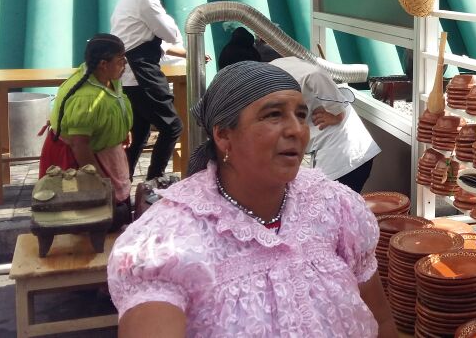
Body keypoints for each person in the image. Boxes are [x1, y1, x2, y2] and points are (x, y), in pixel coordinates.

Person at [107, 61, 396, 337]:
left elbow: (380, 319)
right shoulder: (171, 240)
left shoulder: (334, 206)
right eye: (273, 115)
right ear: (223, 136)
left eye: (300, 114)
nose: (297, 129)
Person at [111, 0, 184, 181]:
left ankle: (122, 183)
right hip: (141, 72)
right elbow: (170, 33)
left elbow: (141, 37)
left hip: (130, 73)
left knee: (140, 132)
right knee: (172, 127)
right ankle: (155, 181)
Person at [38, 34, 133, 206]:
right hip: (80, 157)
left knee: (118, 207)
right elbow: (79, 145)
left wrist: (121, 130)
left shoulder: (107, 77)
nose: (125, 65)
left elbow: (115, 101)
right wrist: (99, 181)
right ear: (103, 64)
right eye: (121, 60)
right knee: (93, 210)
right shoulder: (87, 98)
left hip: (104, 151)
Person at [271, 57, 381, 193]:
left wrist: (337, 111)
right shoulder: (273, 71)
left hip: (344, 156)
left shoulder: (288, 76)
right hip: (328, 152)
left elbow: (315, 73)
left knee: (333, 208)